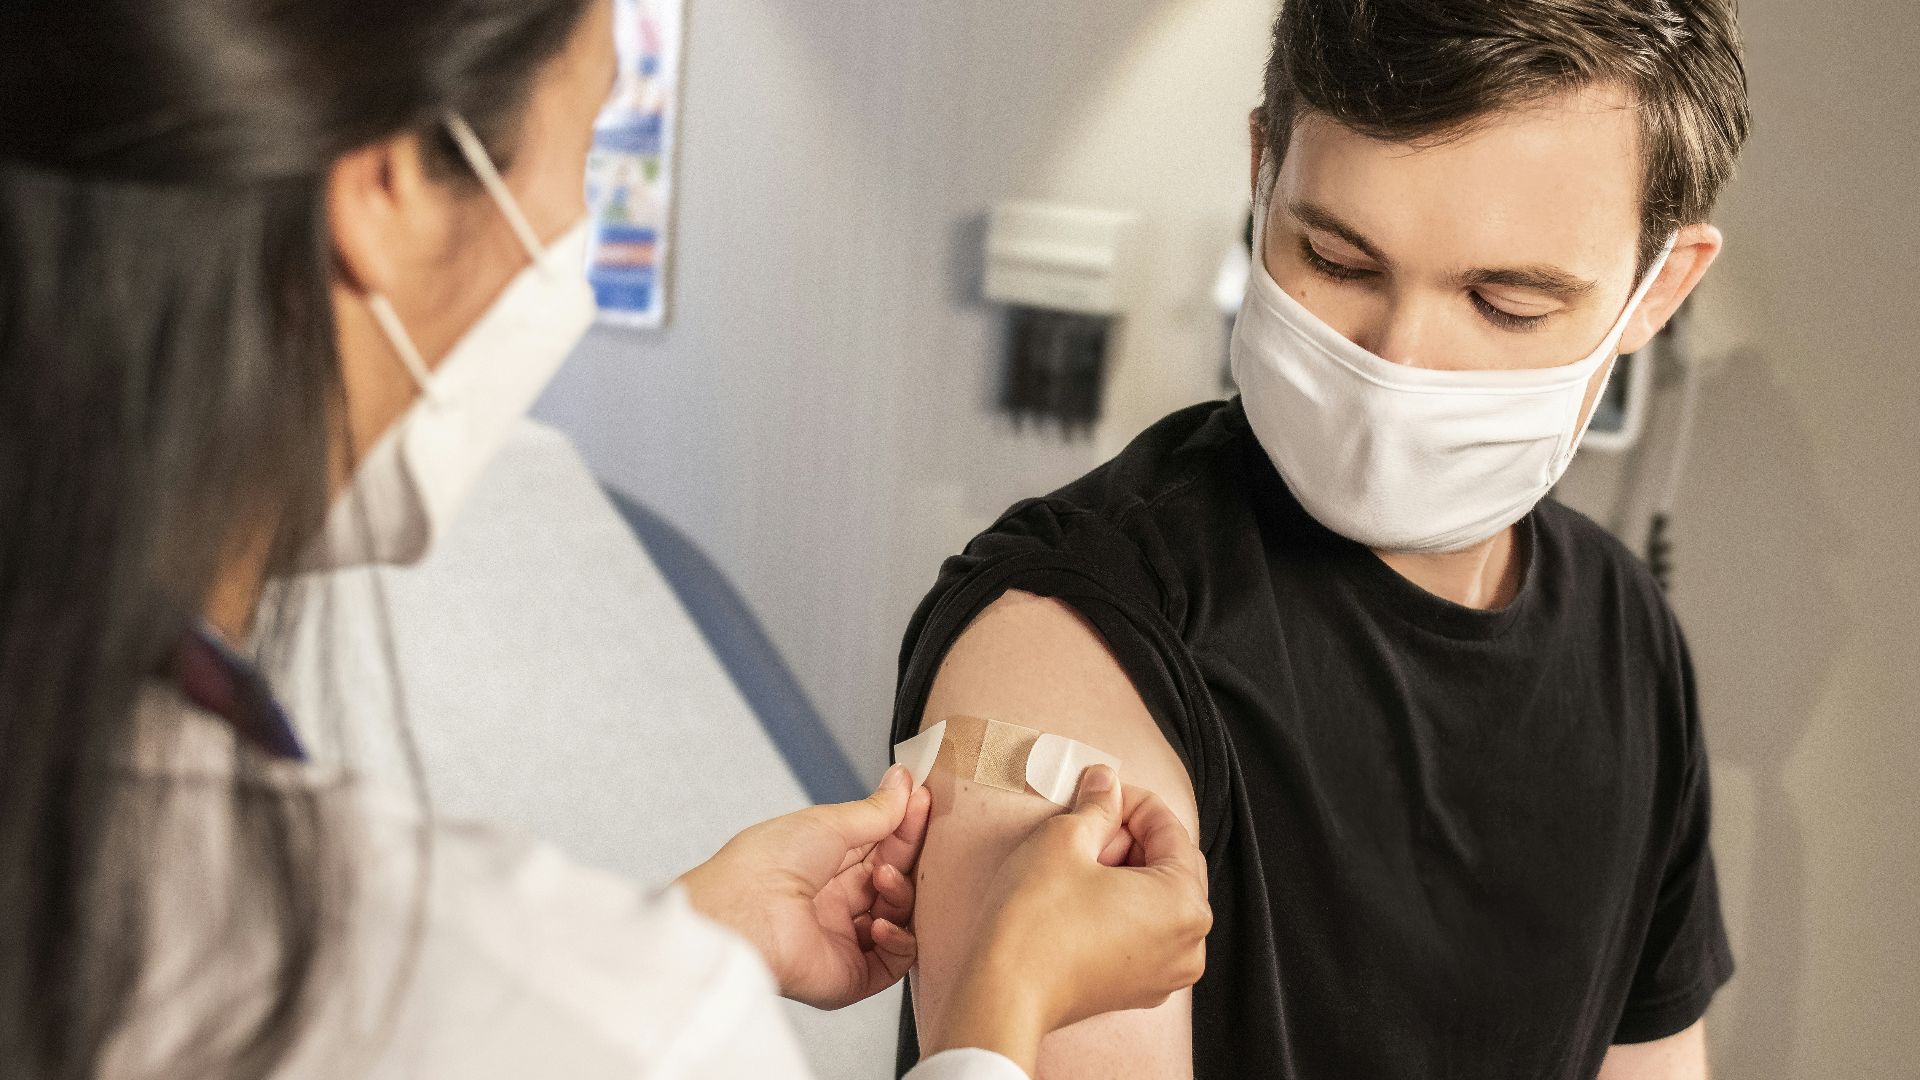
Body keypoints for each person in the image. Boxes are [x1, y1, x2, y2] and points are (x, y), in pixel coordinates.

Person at [0, 1, 1212, 1078]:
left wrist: (678, 935)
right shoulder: (603, 1017)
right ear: (389, 189)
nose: (582, 220)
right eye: (591, 141)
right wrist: (999, 1007)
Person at [894, 1, 1749, 1078]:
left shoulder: (1630, 638)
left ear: (1658, 288)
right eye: (1338, 259)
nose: (1399, 364)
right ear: (1264, 173)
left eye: (1505, 303)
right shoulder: (1076, 633)